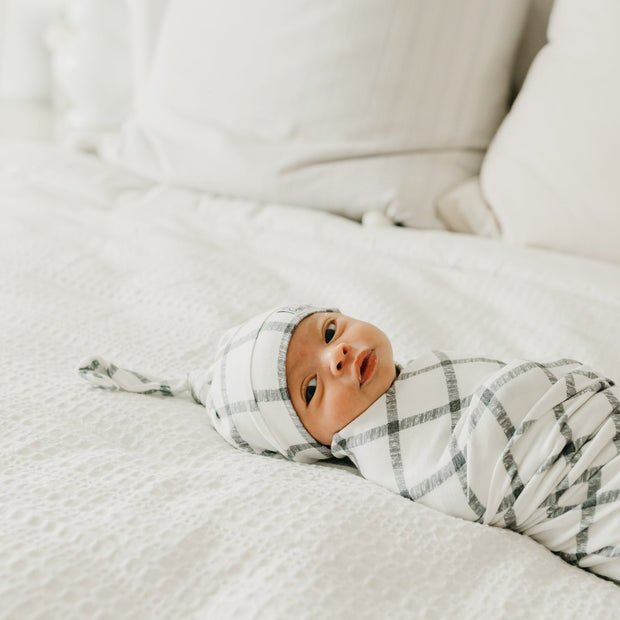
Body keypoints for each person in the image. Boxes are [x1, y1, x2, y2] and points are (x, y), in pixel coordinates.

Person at [78, 304, 620, 584]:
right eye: (310, 389)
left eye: (331, 330)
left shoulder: (414, 375)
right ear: (315, 443)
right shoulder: (390, 447)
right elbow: (470, 476)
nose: (336, 357)